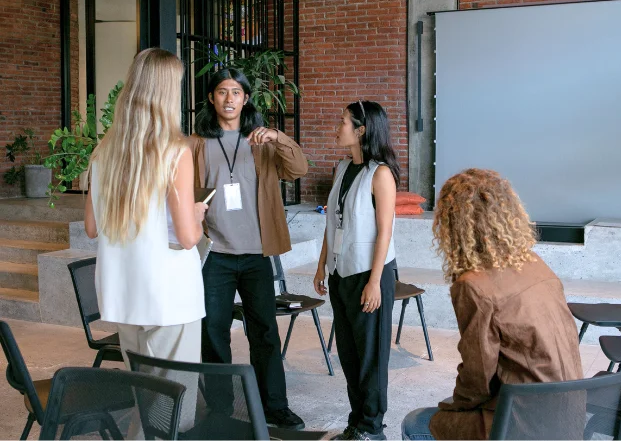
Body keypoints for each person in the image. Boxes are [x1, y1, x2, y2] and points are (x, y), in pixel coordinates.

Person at [401, 168, 583, 440]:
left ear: (453, 224)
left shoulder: (473, 286)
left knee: (416, 423)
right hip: (568, 416)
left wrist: (453, 409)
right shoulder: (534, 263)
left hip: (523, 423)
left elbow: (478, 378)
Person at [84, 48, 207, 429]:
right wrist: (198, 216)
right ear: (169, 92)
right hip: (170, 297)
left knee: (145, 397)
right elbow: (187, 237)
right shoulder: (175, 151)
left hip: (124, 293)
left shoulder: (104, 151)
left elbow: (92, 227)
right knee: (175, 410)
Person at [189, 68, 308, 430]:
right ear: (211, 98)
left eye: (236, 92)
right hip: (216, 255)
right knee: (213, 332)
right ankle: (221, 407)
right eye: (222, 92)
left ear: (245, 99)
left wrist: (278, 136)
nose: (229, 98)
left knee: (264, 332)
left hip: (257, 254)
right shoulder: (195, 143)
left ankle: (275, 405)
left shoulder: (262, 140)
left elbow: (298, 168)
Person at [313, 100, 399, 441]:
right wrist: (322, 264)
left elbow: (385, 231)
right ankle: (357, 422)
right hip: (341, 272)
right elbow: (333, 223)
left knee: (371, 358)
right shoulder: (342, 168)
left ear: (361, 130)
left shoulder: (380, 173)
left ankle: (372, 428)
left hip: (369, 274)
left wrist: (376, 281)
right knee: (349, 354)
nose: (338, 127)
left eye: (343, 122)